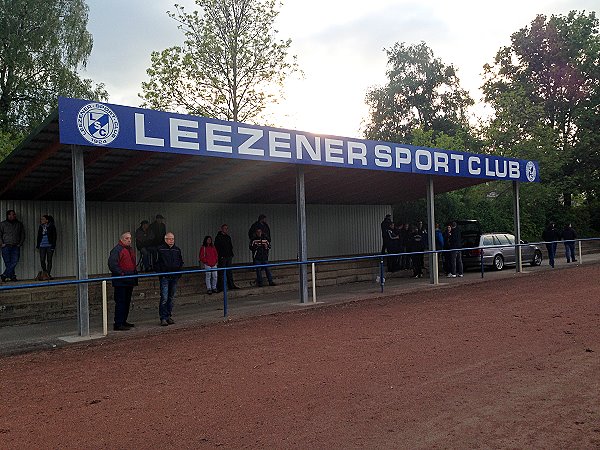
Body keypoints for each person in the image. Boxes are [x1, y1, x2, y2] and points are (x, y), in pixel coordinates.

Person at [107, 231, 138, 331]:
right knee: (120, 302)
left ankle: (123, 321)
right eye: (126, 238)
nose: (129, 240)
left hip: (129, 279)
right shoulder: (117, 250)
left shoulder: (129, 250)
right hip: (121, 281)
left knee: (127, 301)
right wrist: (122, 274)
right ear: (121, 239)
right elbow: (112, 264)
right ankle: (118, 323)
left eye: (130, 238)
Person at [156, 232, 184, 326]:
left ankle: (168, 316)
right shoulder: (160, 249)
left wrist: (179, 272)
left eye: (172, 239)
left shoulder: (177, 250)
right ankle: (163, 317)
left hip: (174, 276)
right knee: (164, 297)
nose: (171, 240)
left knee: (171, 298)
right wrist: (161, 273)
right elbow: (157, 263)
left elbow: (180, 261)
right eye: (169, 239)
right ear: (165, 239)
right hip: (165, 277)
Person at [0, 210, 26, 282]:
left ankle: (4, 275)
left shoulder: (19, 224)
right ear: (8, 215)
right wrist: (1, 243)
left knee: (15, 261)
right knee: (8, 262)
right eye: (11, 215)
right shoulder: (2, 224)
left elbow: (22, 234)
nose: (13, 216)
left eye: (14, 215)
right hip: (5, 246)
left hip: (15, 246)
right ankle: (12, 276)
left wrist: (20, 243)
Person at [214, 224, 239, 291]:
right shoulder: (218, 237)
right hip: (222, 257)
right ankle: (220, 287)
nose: (226, 230)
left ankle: (231, 285)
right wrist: (220, 256)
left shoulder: (228, 237)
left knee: (229, 271)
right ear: (222, 229)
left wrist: (231, 254)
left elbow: (230, 246)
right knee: (221, 272)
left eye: (227, 228)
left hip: (229, 256)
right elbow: (217, 248)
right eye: (224, 228)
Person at [36, 215, 57, 279]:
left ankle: (48, 273)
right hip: (42, 245)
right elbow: (39, 236)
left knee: (49, 260)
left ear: (47, 220)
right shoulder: (40, 227)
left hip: (49, 245)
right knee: (42, 260)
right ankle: (44, 272)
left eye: (43, 219)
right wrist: (38, 245)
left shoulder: (51, 226)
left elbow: (54, 236)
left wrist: (53, 246)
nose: (41, 220)